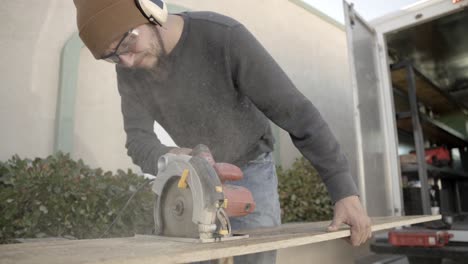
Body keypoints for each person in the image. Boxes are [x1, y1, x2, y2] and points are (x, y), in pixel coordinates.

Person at [74, 0, 372, 262]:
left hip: (251, 171)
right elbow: (138, 141)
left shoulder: (223, 37)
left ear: (152, 9)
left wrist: (344, 191)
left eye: (126, 44)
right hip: (194, 178)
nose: (125, 61)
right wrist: (172, 155)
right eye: (112, 56)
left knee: (255, 259)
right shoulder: (129, 71)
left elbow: (297, 113)